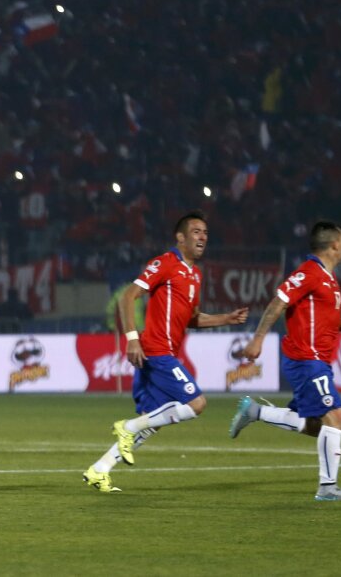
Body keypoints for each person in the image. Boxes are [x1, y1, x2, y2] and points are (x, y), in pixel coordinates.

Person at [82, 211, 249, 493]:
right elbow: (128, 296)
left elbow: (191, 318)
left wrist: (226, 318)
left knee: (152, 420)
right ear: (180, 238)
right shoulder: (165, 263)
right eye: (196, 231)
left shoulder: (195, 275)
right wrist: (132, 339)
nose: (202, 237)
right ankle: (128, 426)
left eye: (205, 232)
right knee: (196, 404)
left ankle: (100, 469)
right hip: (155, 350)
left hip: (162, 352)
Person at [229, 221, 341, 501]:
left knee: (316, 426)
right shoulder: (309, 272)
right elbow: (278, 302)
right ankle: (327, 488)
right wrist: (258, 339)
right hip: (307, 359)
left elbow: (328, 316)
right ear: (335, 245)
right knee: (336, 416)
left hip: (317, 361)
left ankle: (255, 412)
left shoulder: (328, 278)